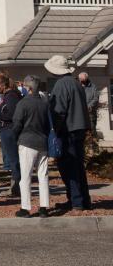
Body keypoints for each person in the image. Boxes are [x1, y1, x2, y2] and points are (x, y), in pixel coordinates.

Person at [45, 55, 92, 211]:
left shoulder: (61, 85)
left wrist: (54, 132)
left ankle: (75, 201)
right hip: (79, 128)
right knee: (78, 166)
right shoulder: (76, 83)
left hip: (68, 130)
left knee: (68, 167)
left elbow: (59, 111)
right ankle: (84, 200)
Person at [12, 76, 52, 217]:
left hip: (27, 142)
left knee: (26, 176)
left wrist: (15, 136)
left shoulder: (23, 103)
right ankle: (44, 207)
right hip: (43, 141)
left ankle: (25, 207)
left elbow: (17, 124)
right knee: (43, 175)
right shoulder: (44, 103)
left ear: (28, 88)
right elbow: (48, 124)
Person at [0, 74, 22, 196]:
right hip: (7, 130)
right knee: (12, 160)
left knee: (13, 160)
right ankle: (15, 186)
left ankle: (16, 187)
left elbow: (10, 115)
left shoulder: (11, 97)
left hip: (9, 131)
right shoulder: (9, 96)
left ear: (2, 85)